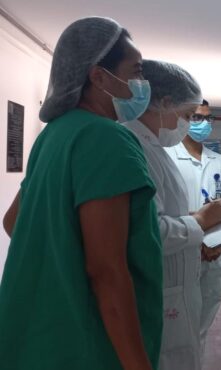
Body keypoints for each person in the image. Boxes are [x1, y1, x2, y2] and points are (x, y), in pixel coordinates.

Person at [0, 17, 162, 369]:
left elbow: (13, 222)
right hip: (87, 344)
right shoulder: (107, 139)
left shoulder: (53, 135)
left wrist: (59, 269)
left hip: (37, 333)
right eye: (134, 72)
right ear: (99, 77)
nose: (140, 85)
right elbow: (106, 270)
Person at [122, 60, 221, 370]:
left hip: (179, 280)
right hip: (164, 284)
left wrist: (198, 219)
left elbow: (160, 212)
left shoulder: (152, 146)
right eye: (186, 115)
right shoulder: (134, 146)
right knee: (169, 357)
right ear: (165, 103)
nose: (187, 124)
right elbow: (143, 231)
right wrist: (199, 222)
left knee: (186, 348)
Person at [166, 99, 221, 362]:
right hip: (181, 251)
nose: (204, 123)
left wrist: (216, 241)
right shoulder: (167, 156)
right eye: (197, 118)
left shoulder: (219, 161)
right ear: (184, 118)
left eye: (208, 118)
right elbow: (165, 213)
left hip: (216, 252)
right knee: (176, 328)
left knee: (202, 325)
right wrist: (199, 239)